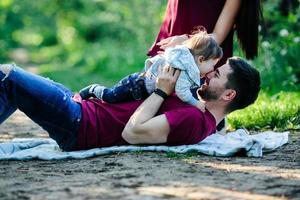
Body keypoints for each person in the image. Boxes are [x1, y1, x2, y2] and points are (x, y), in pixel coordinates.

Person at [0, 56, 260, 151]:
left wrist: (160, 92)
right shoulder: (201, 111)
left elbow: (132, 133)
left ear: (228, 96)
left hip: (81, 124)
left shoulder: (195, 121)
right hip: (82, 106)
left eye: (216, 75)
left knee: (8, 77)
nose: (208, 74)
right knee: (16, 85)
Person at [148, 0, 262, 130]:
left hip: (197, 68)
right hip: (170, 57)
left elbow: (218, 35)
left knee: (182, 123)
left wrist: (186, 40)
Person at [78, 30, 223, 111]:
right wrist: (196, 103)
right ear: (201, 59)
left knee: (117, 107)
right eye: (213, 65)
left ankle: (92, 105)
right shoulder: (186, 68)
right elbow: (182, 92)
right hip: (135, 85)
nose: (212, 70)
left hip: (142, 88)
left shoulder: (184, 59)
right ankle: (92, 89)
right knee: (110, 97)